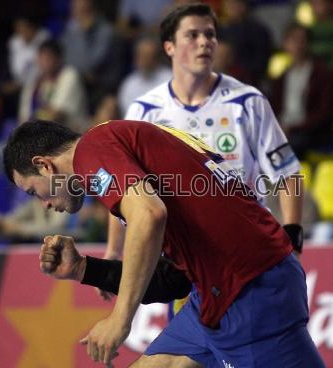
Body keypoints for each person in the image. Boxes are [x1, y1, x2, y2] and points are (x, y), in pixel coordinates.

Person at [3, 119, 325, 367]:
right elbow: (173, 280)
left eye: (34, 192)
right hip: (217, 291)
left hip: (250, 289)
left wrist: (120, 319)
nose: (44, 204)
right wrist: (84, 269)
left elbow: (148, 214)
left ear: (45, 165)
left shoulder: (92, 149)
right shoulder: (120, 143)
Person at [103, 3, 305, 287]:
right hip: (186, 260)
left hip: (249, 247)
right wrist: (114, 250)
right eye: (193, 35)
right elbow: (124, 190)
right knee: (191, 328)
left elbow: (287, 173)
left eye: (210, 35)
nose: (204, 43)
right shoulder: (145, 111)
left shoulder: (247, 101)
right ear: (169, 47)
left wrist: (293, 231)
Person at [270, 23, 333, 158]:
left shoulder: (322, 74)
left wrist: (293, 128)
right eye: (293, 40)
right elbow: (274, 111)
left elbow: (325, 113)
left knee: (288, 145)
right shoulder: (281, 78)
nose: (298, 45)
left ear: (309, 44)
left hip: (310, 132)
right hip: (284, 130)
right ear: (285, 44)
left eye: (302, 40)